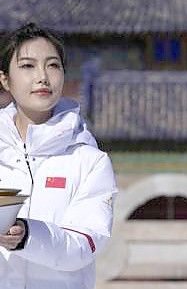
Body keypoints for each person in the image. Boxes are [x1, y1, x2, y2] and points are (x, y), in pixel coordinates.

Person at [0, 23, 117, 289]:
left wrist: (27, 235)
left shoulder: (89, 162)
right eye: (28, 66)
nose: (42, 76)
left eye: (52, 65)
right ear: (5, 79)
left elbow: (85, 244)